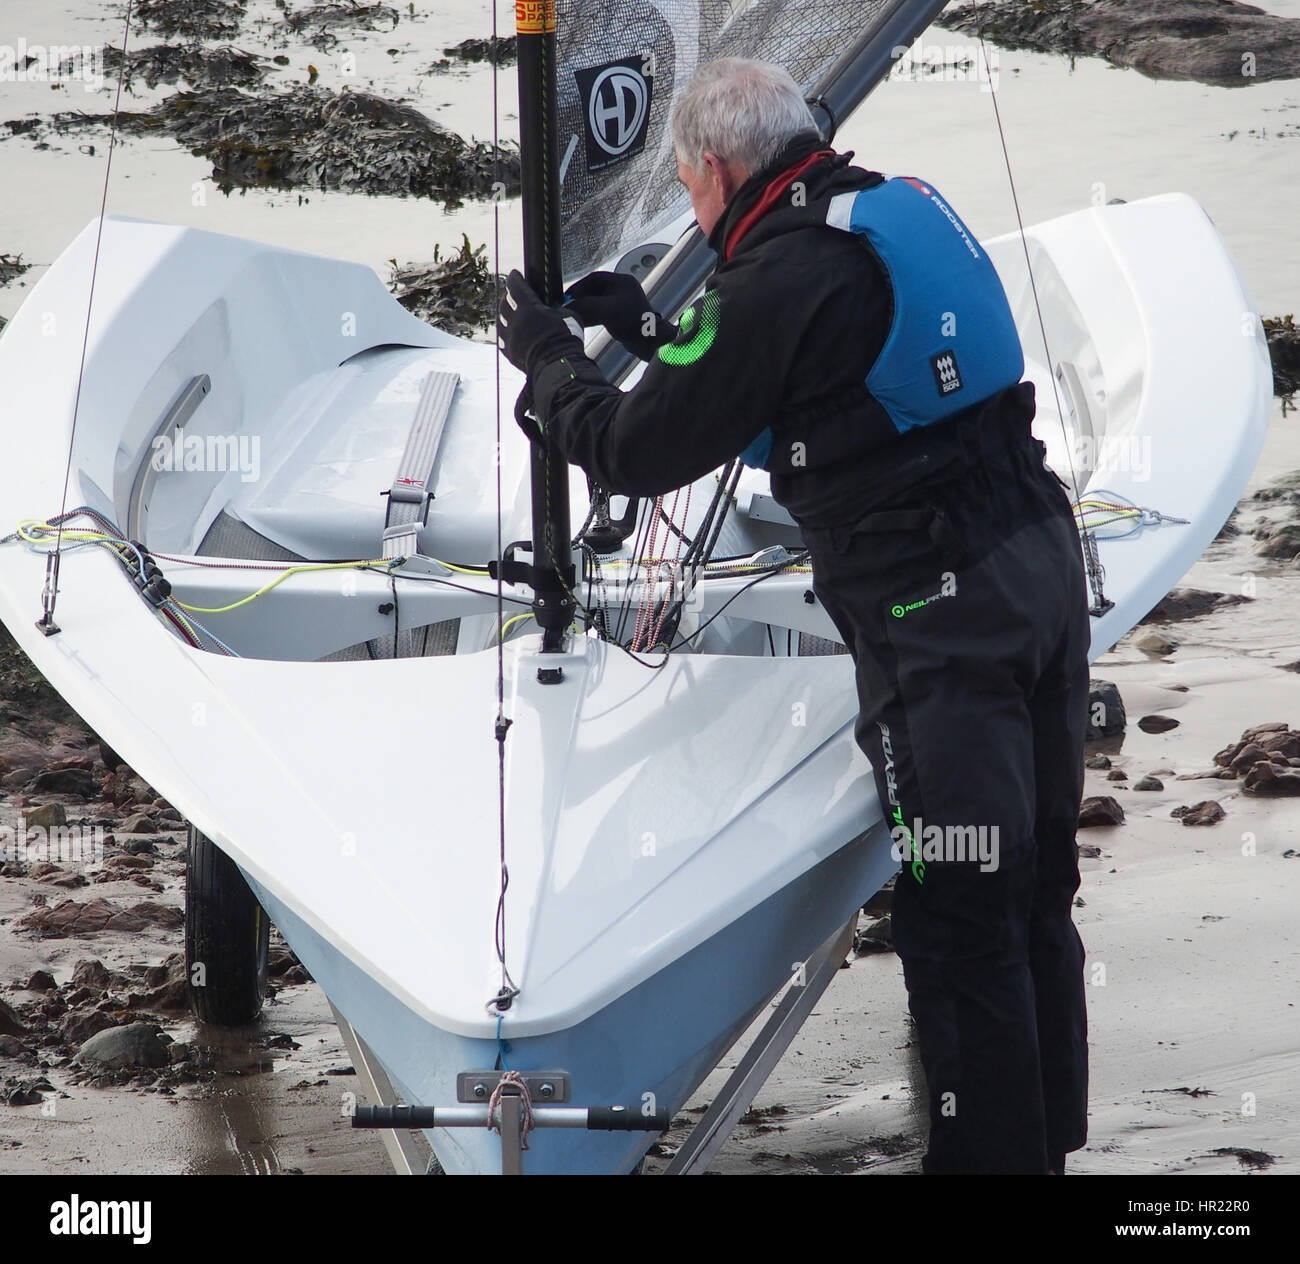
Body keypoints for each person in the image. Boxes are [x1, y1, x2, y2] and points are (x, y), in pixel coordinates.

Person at [497, 57, 1090, 1176]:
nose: (696, 208)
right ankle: (1045, 1151)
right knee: (1033, 892)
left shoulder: (776, 279)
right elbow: (814, 388)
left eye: (689, 186)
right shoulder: (892, 206)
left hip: (941, 616)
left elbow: (631, 452)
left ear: (715, 168)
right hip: (1039, 571)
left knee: (960, 917)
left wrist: (548, 365)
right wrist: (650, 338)